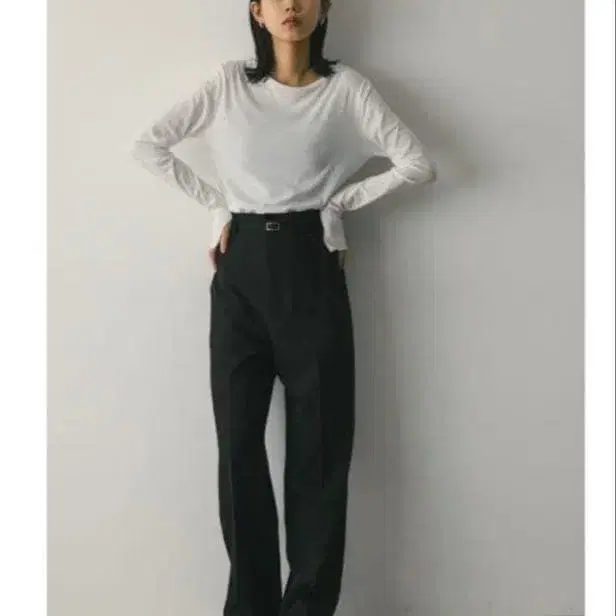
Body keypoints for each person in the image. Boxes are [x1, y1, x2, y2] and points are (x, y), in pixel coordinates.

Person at [131, 1, 437, 614]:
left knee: (320, 450)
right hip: (240, 268)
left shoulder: (345, 89)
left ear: (324, 9)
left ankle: (308, 608)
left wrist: (337, 205)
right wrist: (218, 207)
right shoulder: (228, 84)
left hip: (310, 267)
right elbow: (150, 145)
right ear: (257, 11)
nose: (289, 5)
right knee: (237, 446)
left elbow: (417, 164)